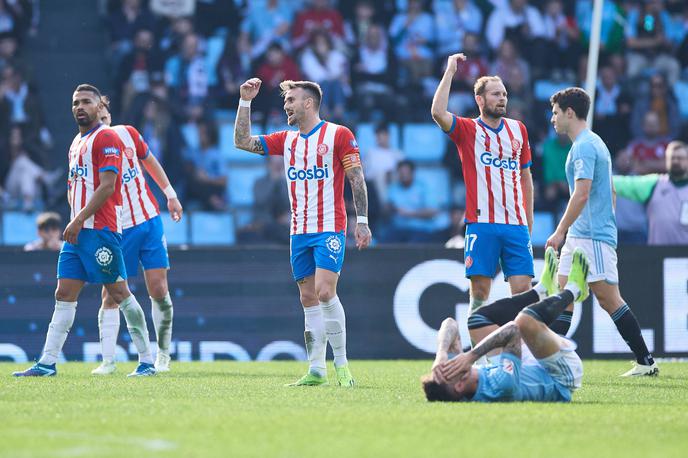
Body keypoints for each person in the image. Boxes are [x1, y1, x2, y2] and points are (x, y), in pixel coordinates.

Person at [234, 78, 372, 387]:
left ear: (308, 103)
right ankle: (316, 370)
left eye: (291, 101)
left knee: (325, 291)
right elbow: (242, 141)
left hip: (329, 227)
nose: (286, 106)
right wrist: (245, 101)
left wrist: (361, 219)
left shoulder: (339, 134)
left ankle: (342, 365)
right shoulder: (286, 140)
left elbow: (356, 177)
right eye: (285, 102)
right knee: (308, 297)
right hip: (299, 231)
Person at [13, 84, 155, 377]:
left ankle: (147, 361)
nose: (80, 106)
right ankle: (47, 362)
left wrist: (77, 220)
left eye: (86, 102)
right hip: (77, 232)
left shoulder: (106, 137)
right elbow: (73, 186)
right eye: (76, 102)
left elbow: (108, 186)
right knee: (63, 292)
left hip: (100, 229)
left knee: (119, 292)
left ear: (99, 107)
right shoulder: (76, 142)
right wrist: (74, 219)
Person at [546, 87, 658, 377]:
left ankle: (646, 362)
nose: (552, 119)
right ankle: (551, 361)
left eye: (555, 113)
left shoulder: (584, 146)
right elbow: (609, 191)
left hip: (591, 236)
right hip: (584, 234)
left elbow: (581, 195)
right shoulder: (592, 143)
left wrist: (560, 231)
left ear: (570, 113)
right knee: (563, 296)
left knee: (609, 299)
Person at [431, 53, 535, 333]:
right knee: (479, 291)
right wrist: (450, 72)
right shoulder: (467, 129)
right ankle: (479, 354)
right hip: (482, 224)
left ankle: (520, 356)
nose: (502, 99)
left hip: (515, 225)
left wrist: (529, 219)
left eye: (504, 94)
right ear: (480, 99)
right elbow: (438, 113)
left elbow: (526, 176)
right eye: (495, 94)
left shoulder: (518, 130)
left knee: (524, 292)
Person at [423, 247, 590, 403]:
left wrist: (441, 353)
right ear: (460, 385)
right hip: (560, 376)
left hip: (526, 366)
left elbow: (449, 324)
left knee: (477, 321)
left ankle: (540, 292)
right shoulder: (501, 385)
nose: (447, 366)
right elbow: (513, 330)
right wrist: (471, 356)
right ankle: (574, 291)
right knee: (524, 321)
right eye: (447, 370)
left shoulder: (457, 378)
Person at [90, 96, 183, 375]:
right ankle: (108, 361)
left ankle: (163, 355)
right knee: (110, 295)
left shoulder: (128, 133)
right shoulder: (87, 147)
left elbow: (150, 162)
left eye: (104, 112)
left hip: (149, 221)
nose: (103, 118)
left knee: (159, 288)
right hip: (118, 228)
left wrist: (170, 194)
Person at [613, 141, 688, 245]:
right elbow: (625, 184)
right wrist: (596, 178)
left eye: (680, 158)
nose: (675, 161)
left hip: (685, 255)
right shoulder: (655, 184)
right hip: (656, 255)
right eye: (672, 158)